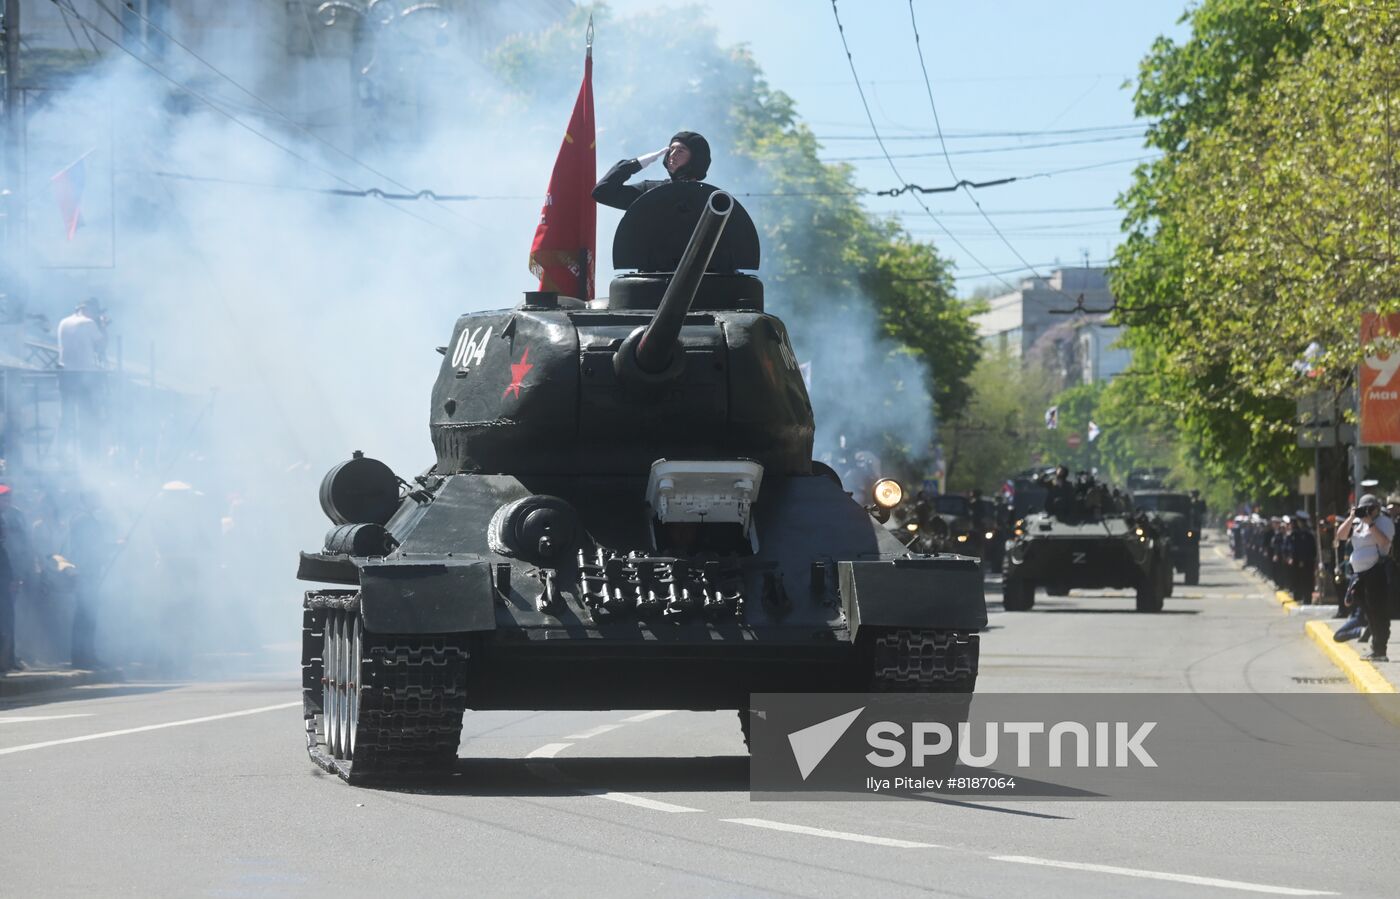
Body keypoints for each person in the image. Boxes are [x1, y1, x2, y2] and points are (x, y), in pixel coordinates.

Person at [593, 131, 712, 211]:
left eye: (681, 151)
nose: (672, 155)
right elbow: (602, 193)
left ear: (695, 159)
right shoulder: (650, 191)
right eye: (671, 149)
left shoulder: (709, 200)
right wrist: (637, 163)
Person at [1336, 494, 1392, 662]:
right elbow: (1341, 535)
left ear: (1375, 508)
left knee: (1378, 611)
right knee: (1368, 611)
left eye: (1369, 508)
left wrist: (1370, 523)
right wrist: (1352, 516)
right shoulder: (1357, 522)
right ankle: (1375, 647)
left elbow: (1384, 542)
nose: (1366, 511)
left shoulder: (1383, 522)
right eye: (1362, 508)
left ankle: (1380, 649)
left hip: (1376, 571)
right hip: (1359, 573)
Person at [56, 298, 109, 458]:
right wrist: (104, 327)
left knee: (66, 415)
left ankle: (62, 452)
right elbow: (102, 345)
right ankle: (89, 455)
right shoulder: (88, 323)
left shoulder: (63, 322)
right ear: (88, 309)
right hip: (84, 375)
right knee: (88, 415)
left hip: (65, 373)